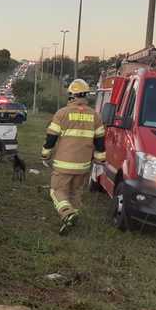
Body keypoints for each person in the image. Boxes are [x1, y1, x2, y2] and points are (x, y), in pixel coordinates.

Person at [41, 79, 105, 235]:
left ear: (71, 96)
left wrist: (45, 154)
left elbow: (51, 138)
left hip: (64, 164)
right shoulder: (95, 116)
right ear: (85, 95)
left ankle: (67, 213)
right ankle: (73, 219)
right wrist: (100, 160)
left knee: (56, 191)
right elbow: (100, 142)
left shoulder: (62, 113)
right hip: (83, 165)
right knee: (75, 192)